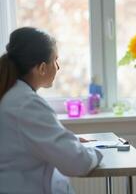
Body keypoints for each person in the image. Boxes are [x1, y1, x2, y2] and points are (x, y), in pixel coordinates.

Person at [0, 27, 103, 194]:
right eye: (55, 60)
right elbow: (77, 162)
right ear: (41, 68)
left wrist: (69, 140)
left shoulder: (10, 96)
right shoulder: (27, 104)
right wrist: (96, 152)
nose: (58, 67)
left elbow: (23, 141)